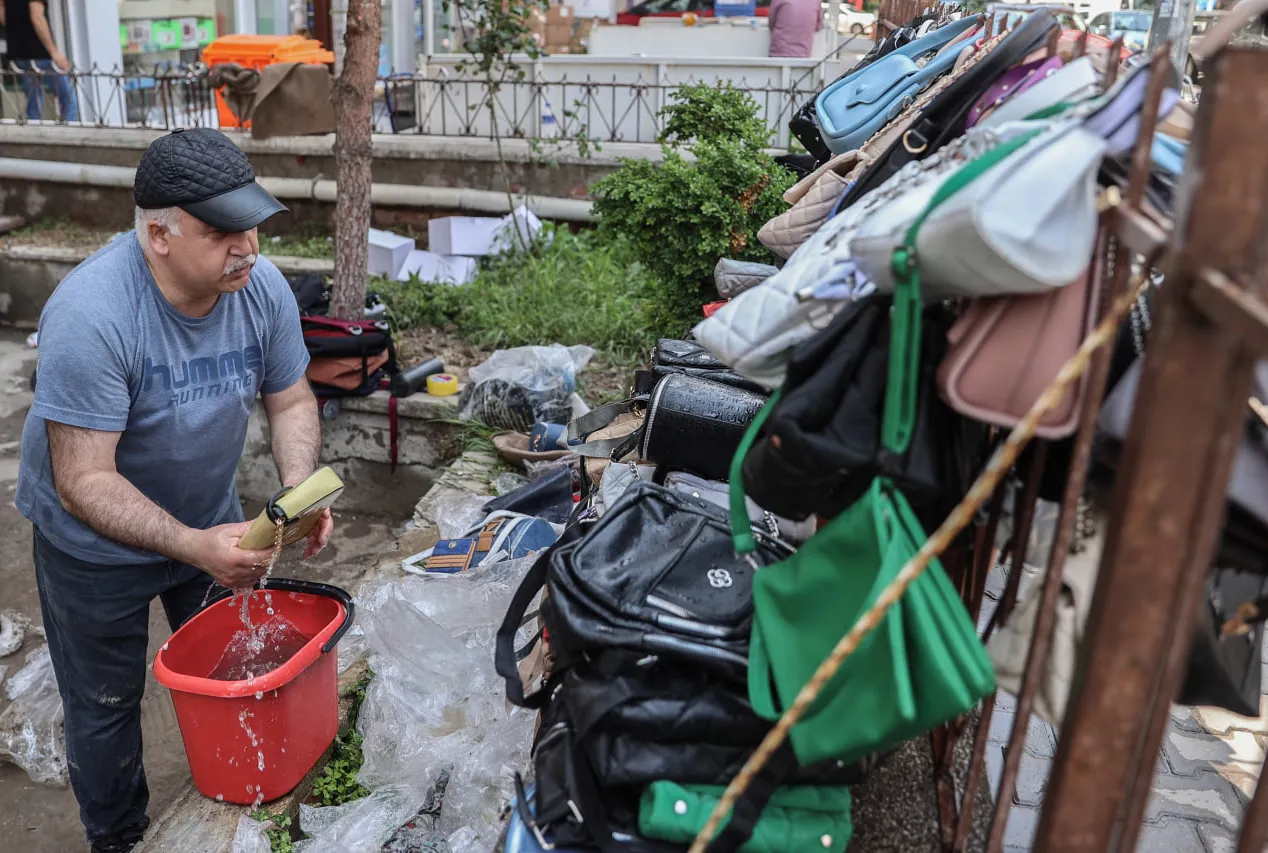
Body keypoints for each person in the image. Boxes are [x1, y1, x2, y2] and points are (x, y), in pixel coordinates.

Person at [15, 127, 333, 853]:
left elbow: (290, 399)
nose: (246, 248)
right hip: (91, 542)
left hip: (207, 518)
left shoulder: (260, 288)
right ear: (159, 235)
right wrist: (191, 545)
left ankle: (237, 807)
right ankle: (119, 839)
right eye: (221, 232)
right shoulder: (92, 314)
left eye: (251, 225)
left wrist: (299, 490)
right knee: (106, 705)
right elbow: (82, 480)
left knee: (239, 665)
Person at [0, 0, 80, 122]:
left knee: (34, 103)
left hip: (20, 55)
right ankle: (67, 131)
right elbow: (37, 17)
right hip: (40, 53)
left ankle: (34, 130)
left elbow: (3, 13)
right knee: (68, 101)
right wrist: (54, 52)